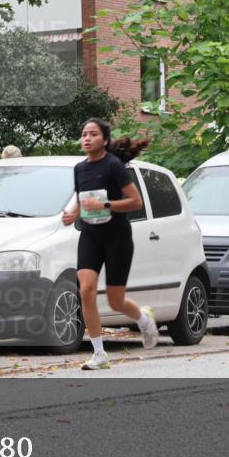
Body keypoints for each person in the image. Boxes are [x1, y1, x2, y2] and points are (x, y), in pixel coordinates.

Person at [61, 118, 158, 370]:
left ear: (104, 140)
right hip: (91, 235)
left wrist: (105, 205)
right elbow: (82, 199)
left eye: (93, 134)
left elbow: (135, 202)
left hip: (117, 236)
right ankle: (99, 353)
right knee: (86, 290)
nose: (86, 138)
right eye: (83, 134)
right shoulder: (79, 169)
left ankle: (144, 319)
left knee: (116, 301)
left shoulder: (114, 166)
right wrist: (71, 212)